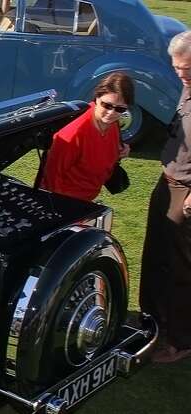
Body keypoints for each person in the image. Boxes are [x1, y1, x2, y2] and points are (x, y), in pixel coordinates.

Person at [141, 30, 191, 363]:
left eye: (186, 68)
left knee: (181, 267)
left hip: (185, 191)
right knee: (155, 253)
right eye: (177, 68)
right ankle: (151, 322)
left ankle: (179, 340)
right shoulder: (187, 89)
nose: (181, 75)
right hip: (167, 180)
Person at [39, 72, 133, 201]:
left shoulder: (112, 123)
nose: (111, 113)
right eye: (107, 105)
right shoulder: (73, 133)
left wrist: (119, 150)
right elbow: (52, 179)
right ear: (97, 98)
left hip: (88, 198)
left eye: (120, 109)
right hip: (66, 201)